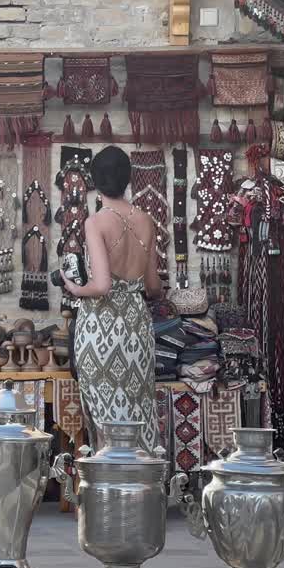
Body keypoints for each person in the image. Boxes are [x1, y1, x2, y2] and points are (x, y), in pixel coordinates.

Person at [63, 146, 163, 454]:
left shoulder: (95, 222)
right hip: (136, 328)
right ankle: (142, 478)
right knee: (138, 408)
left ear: (94, 182)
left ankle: (108, 479)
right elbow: (153, 287)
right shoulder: (146, 220)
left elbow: (102, 285)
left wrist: (74, 288)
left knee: (105, 415)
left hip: (101, 330)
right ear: (128, 179)